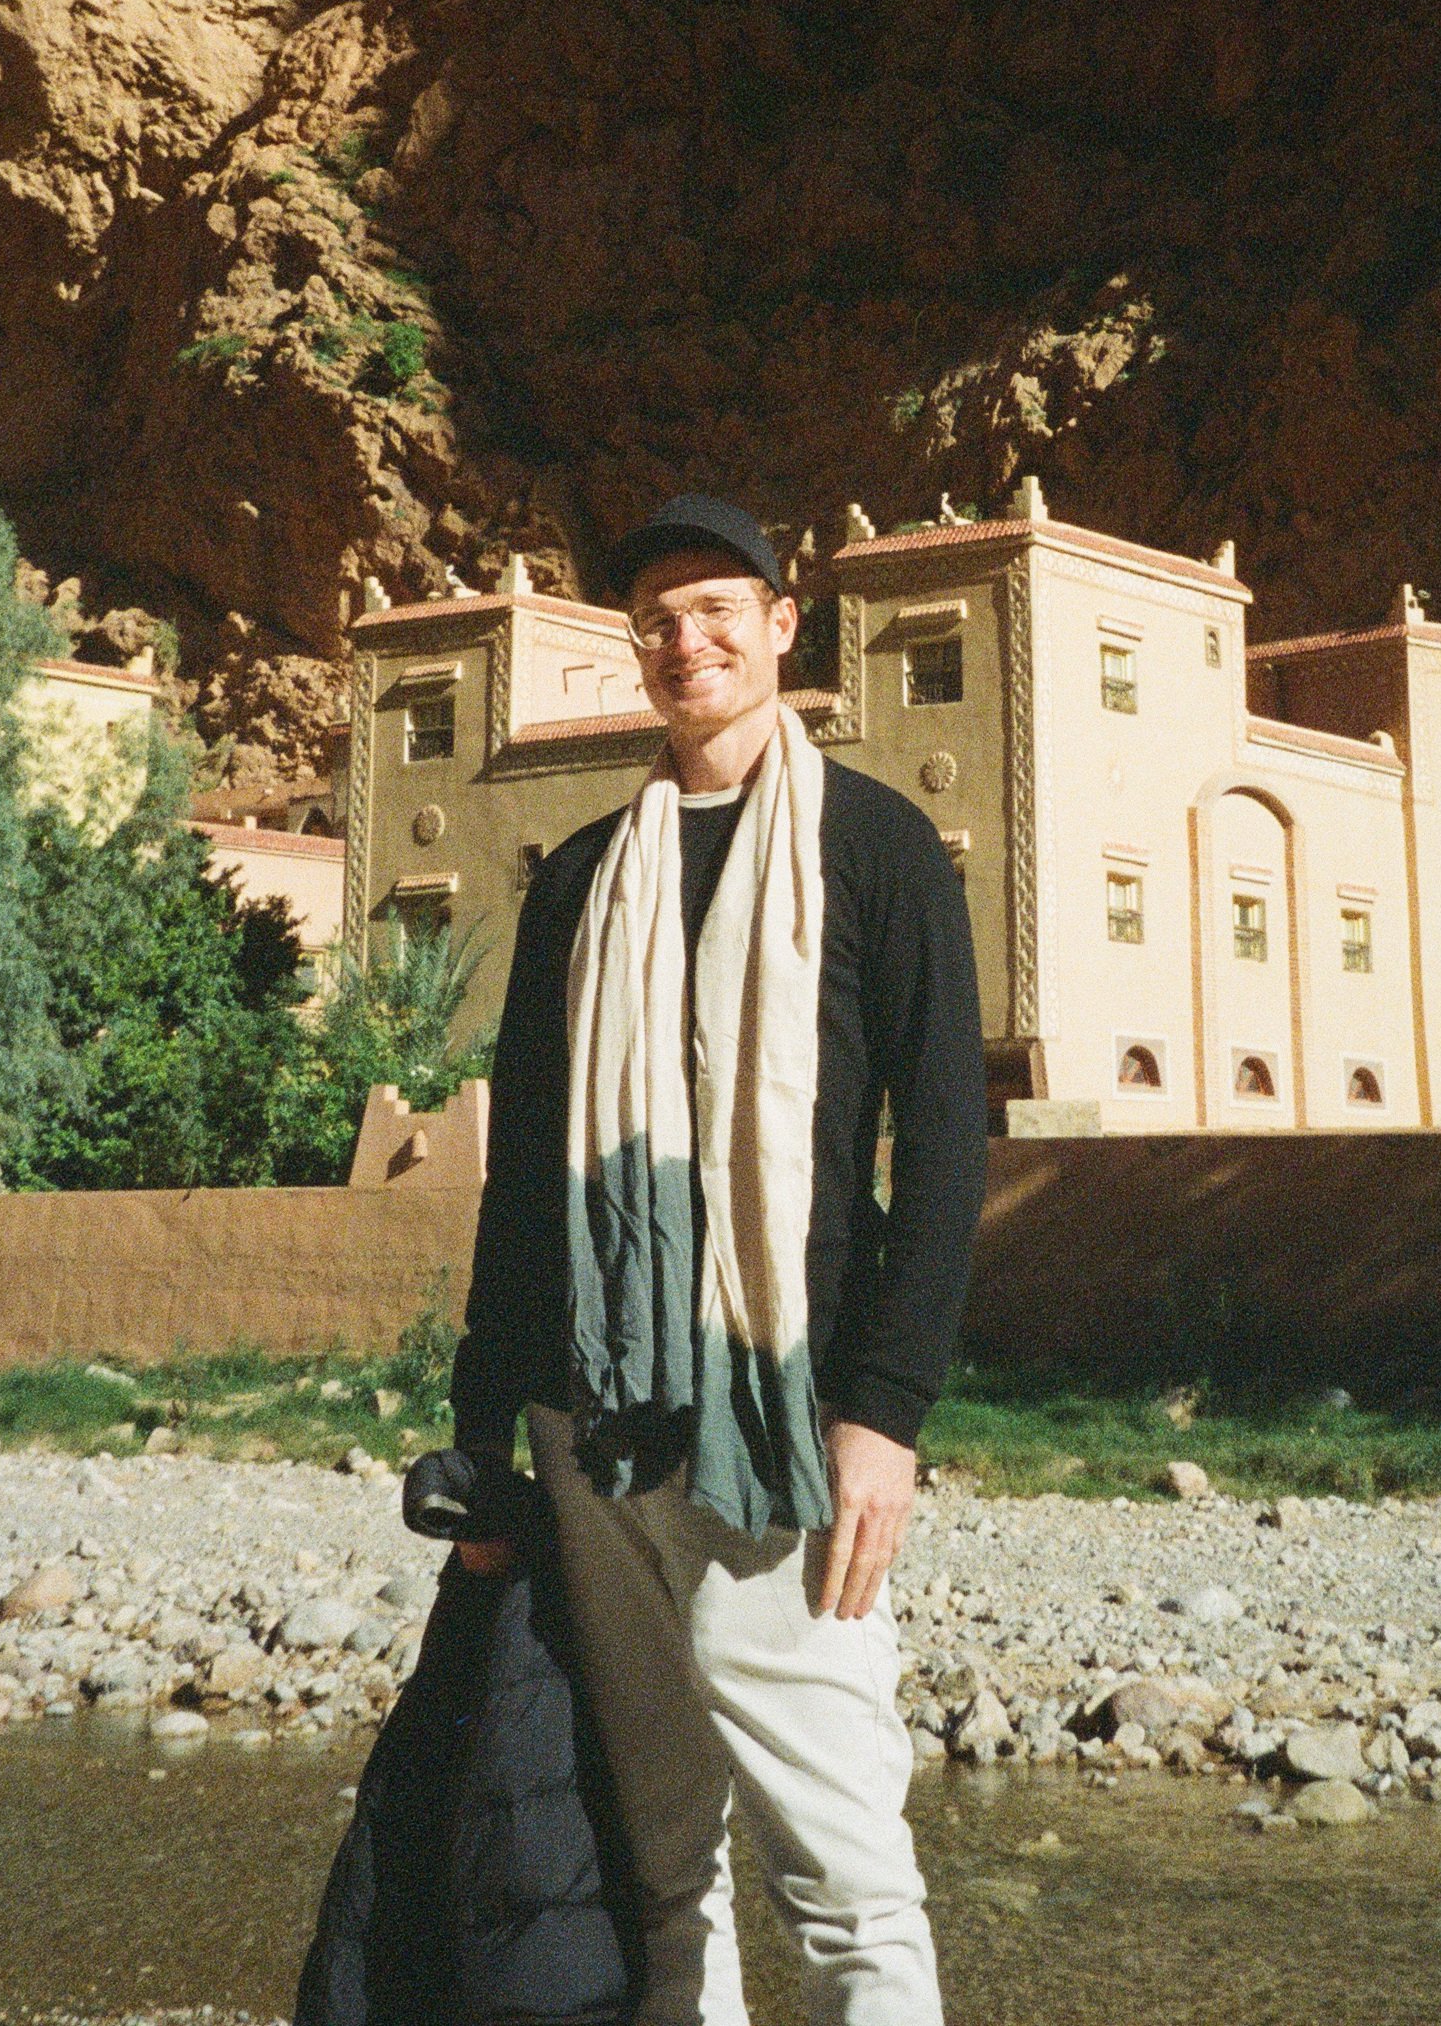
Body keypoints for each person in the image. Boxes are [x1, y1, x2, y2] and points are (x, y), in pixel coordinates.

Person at [449, 492, 987, 2026]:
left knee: (841, 1852)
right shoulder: (580, 880)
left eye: (715, 610)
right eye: (657, 621)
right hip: (591, 1432)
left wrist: (884, 1411)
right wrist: (484, 1438)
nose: (687, 640)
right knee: (656, 1855)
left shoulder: (875, 850)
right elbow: (524, 1189)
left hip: (788, 1424)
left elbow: (944, 1148)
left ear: (778, 625)